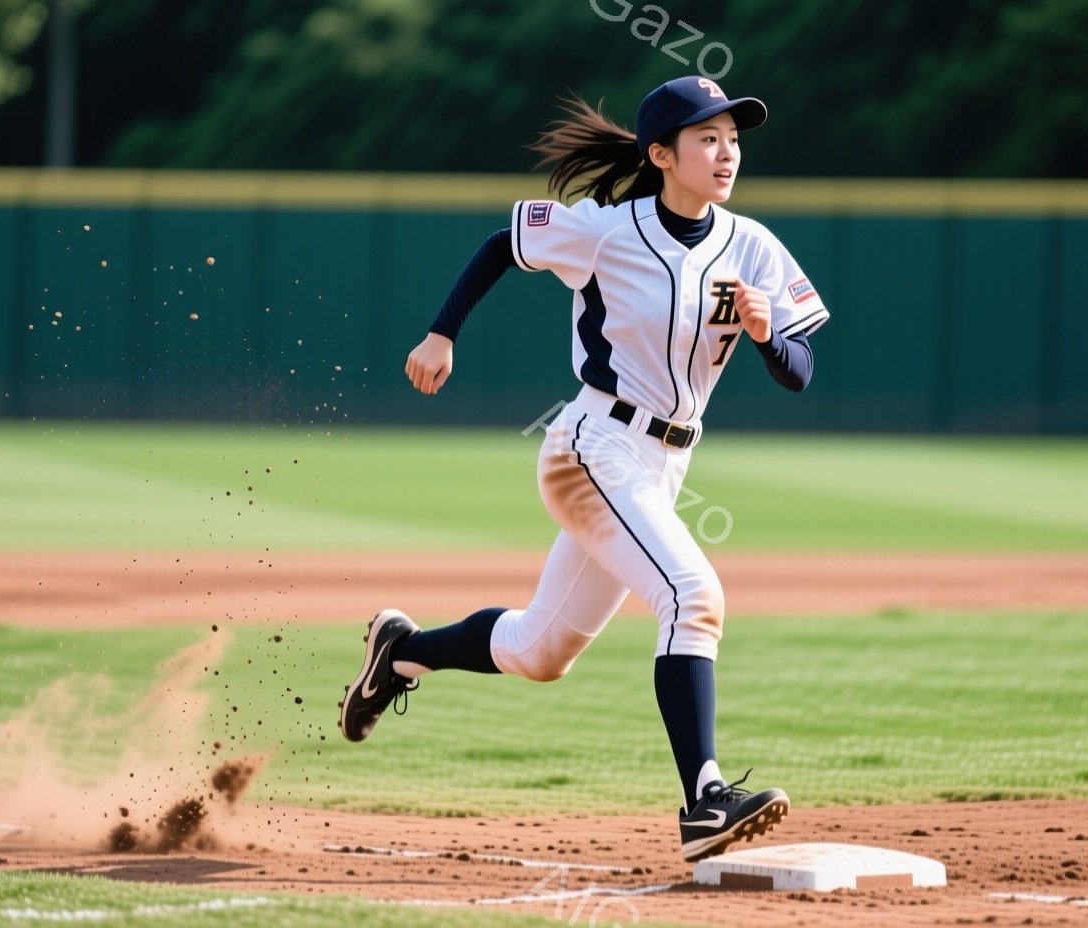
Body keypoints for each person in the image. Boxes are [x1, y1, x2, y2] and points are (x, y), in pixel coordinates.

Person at [338, 76, 829, 863]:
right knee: (693, 594)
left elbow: (799, 370)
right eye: (707, 137)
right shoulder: (608, 230)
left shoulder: (754, 246)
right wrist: (442, 335)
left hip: (665, 463)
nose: (727, 149)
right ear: (661, 154)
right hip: (594, 446)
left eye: (733, 136)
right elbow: (505, 244)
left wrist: (771, 335)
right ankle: (704, 799)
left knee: (540, 651)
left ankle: (399, 652)